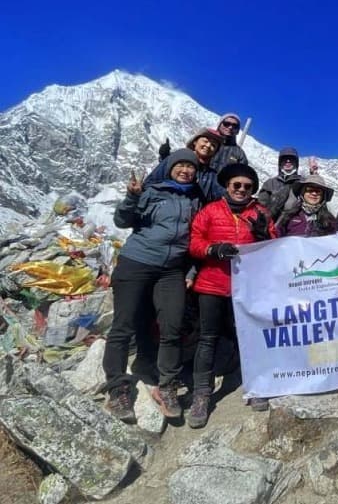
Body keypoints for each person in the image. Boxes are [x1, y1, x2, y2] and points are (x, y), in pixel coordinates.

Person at [103, 149, 205, 422]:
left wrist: (192, 269)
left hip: (172, 270)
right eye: (180, 165)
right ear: (170, 167)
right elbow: (122, 221)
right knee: (123, 325)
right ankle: (117, 388)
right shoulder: (152, 191)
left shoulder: (196, 199)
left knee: (172, 325)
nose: (186, 170)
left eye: (191, 167)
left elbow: (195, 237)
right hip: (137, 261)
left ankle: (167, 385)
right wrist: (132, 196)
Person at [187, 163, 276, 428]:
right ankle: (201, 395)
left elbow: (274, 246)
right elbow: (194, 241)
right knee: (208, 339)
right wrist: (212, 249)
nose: (241, 189)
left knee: (252, 337)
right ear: (227, 186)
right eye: (237, 185)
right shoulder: (210, 211)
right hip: (212, 284)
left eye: (247, 186)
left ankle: (257, 386)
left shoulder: (261, 213)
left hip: (248, 286)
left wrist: (265, 235)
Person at [146, 128, 224, 202]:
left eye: (213, 145)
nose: (208, 145)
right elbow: (150, 183)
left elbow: (221, 197)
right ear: (195, 142)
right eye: (205, 141)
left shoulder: (212, 177)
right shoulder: (173, 160)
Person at [258, 147, 302, 223]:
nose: (288, 161)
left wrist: (314, 174)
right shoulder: (270, 183)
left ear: (296, 163)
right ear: (280, 163)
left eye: (291, 159)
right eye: (285, 159)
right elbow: (261, 206)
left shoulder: (302, 182)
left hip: (296, 224)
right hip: (272, 224)